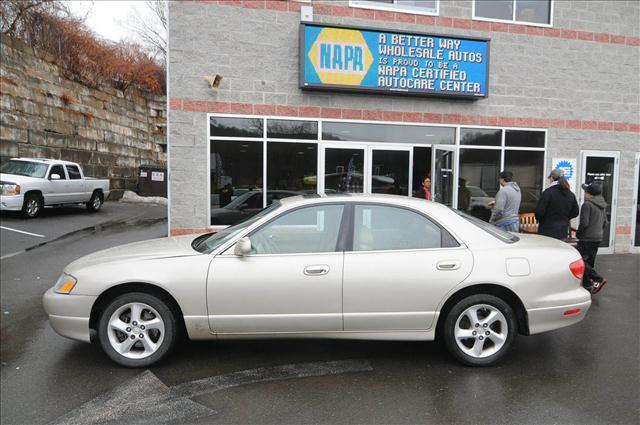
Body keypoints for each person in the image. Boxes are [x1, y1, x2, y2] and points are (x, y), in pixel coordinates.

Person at [576, 182, 608, 293]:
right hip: (597, 237)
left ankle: (598, 278)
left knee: (581, 261)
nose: (584, 194)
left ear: (590, 194)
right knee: (589, 262)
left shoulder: (587, 205)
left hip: (587, 238)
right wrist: (598, 232)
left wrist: (579, 234)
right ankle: (587, 284)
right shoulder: (602, 204)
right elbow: (605, 222)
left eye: (585, 191)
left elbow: (584, 223)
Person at [535, 168, 579, 240]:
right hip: (563, 230)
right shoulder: (570, 194)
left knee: (547, 250)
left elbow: (539, 211)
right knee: (559, 250)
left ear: (552, 178)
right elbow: (575, 212)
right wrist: (564, 219)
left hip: (547, 229)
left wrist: (543, 220)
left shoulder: (548, 192)